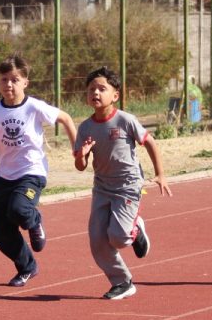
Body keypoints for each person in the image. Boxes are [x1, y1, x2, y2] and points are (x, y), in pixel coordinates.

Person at [0, 55, 78, 287]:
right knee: (1, 234)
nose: (8, 84)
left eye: (14, 79)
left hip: (31, 172)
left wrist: (76, 149)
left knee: (20, 209)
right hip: (4, 176)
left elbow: (66, 119)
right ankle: (27, 267)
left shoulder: (34, 107)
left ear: (24, 83)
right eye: (3, 80)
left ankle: (35, 221)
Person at [73, 66, 173, 300]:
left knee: (118, 237)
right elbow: (80, 166)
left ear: (115, 95)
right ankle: (122, 282)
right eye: (91, 89)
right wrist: (82, 154)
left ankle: (136, 228)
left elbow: (149, 142)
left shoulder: (125, 120)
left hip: (127, 186)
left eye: (101, 89)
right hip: (102, 188)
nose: (95, 93)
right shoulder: (85, 128)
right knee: (97, 240)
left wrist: (160, 174)